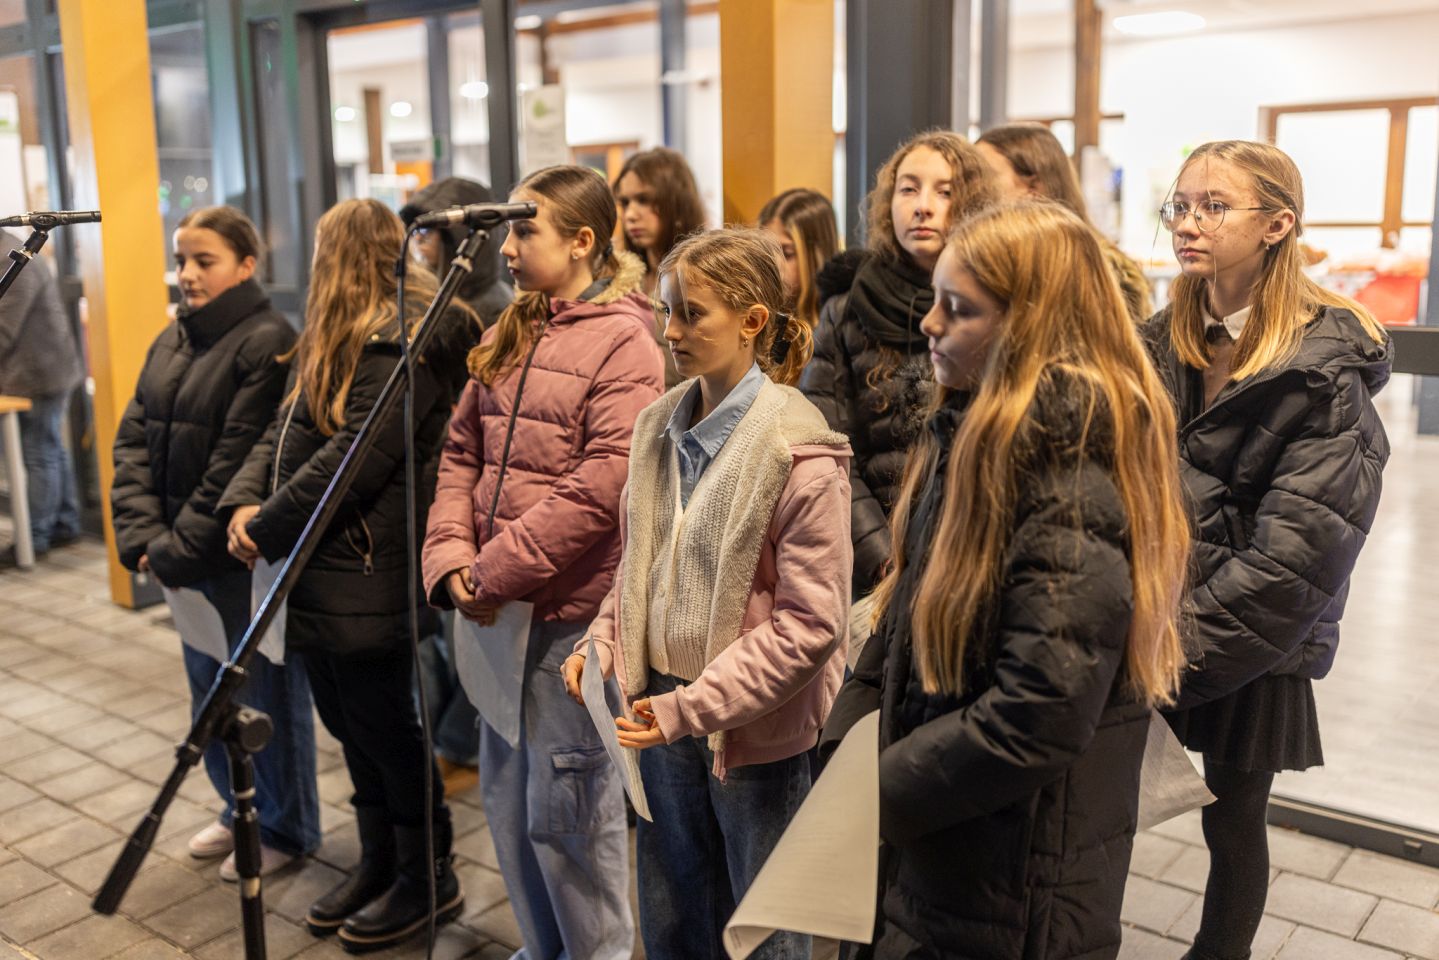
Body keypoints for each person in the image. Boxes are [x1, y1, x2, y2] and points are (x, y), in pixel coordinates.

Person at [821, 201, 1191, 959]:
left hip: (1010, 875)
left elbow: (1040, 709)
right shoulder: (968, 436)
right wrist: (843, 754)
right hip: (943, 836)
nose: (927, 323)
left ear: (1030, 329)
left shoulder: (1068, 467)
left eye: (957, 309)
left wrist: (874, 795)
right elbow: (900, 621)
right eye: (933, 298)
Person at [563, 228, 853, 960]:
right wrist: (599, 642)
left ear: (752, 321)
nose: (671, 331)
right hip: (656, 710)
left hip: (751, 731)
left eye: (692, 313)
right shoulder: (658, 424)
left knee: (762, 930)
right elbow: (638, 566)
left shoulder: (798, 448)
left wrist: (687, 710)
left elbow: (809, 626)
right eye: (667, 311)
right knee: (673, 912)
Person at [1141, 141, 1391, 960]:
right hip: (1147, 622)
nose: (1187, 222)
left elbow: (1300, 558)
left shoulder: (1321, 369)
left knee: (1234, 817)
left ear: (1277, 224)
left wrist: (1176, 649)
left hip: (1245, 637)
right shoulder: (1158, 339)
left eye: (1213, 205)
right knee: (1093, 809)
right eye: (1179, 204)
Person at [220, 198, 475, 953]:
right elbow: (287, 426)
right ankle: (378, 863)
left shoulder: (413, 336)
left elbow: (356, 460)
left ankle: (429, 877)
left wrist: (265, 523)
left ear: (338, 258)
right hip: (320, 565)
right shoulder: (339, 334)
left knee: (389, 729)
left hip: (371, 561)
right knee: (347, 725)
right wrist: (242, 497)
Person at [422, 164, 663, 960]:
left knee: (568, 818)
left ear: (583, 241)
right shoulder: (510, 328)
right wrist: (451, 556)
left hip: (566, 622)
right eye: (510, 230)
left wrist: (489, 573)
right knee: (506, 802)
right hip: (499, 615)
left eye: (527, 230)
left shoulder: (626, 340)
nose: (510, 246)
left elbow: (602, 486)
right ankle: (542, 948)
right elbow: (461, 450)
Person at [109, 205, 321, 880]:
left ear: (246, 265)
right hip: (178, 553)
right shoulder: (173, 338)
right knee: (207, 689)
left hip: (229, 559)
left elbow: (237, 464)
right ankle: (237, 808)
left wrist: (172, 549)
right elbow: (132, 440)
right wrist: (143, 534)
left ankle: (285, 824)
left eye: (204, 261)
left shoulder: (268, 341)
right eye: (181, 261)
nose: (188, 275)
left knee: (261, 697)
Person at [799, 130, 995, 596]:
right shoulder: (847, 308)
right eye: (908, 188)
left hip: (968, 561)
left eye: (944, 192)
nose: (922, 206)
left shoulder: (993, 305)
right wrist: (883, 558)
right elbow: (824, 444)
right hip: (871, 565)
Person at [400, 176, 516, 795]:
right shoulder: (435, 300)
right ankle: (450, 742)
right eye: (418, 233)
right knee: (437, 634)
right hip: (436, 486)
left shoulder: (493, 307)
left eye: (431, 233)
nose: (421, 247)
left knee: (460, 633)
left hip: (467, 493)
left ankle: (457, 745)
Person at [976, 122, 1152, 322]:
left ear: (1033, 189)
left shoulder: (1100, 272)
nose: (972, 187)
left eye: (983, 176)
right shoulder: (989, 260)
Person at [0, 229, 83, 566]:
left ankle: (34, 538)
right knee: (49, 448)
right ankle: (64, 523)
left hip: (40, 373)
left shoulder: (15, 256)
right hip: (39, 369)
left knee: (41, 452)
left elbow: (4, 329)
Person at [613, 146, 707, 387]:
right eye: (625, 202)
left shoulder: (705, 276)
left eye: (644, 200)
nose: (631, 214)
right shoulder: (621, 277)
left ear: (674, 202)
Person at [758, 187, 840, 385]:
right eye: (766, 252)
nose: (774, 266)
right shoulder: (763, 319)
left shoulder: (837, 327)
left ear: (815, 256)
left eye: (786, 253)